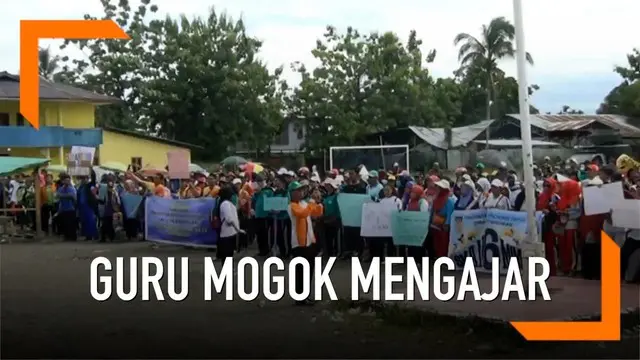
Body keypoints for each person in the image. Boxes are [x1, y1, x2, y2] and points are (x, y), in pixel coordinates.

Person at [287, 181, 323, 306]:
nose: (300, 192)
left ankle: (305, 295)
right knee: (300, 271)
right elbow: (302, 214)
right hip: (299, 242)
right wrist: (312, 203)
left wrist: (317, 202)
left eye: (301, 190)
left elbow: (317, 213)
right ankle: (299, 297)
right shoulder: (292, 205)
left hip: (309, 241)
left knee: (309, 270)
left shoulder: (304, 203)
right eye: (298, 190)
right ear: (292, 193)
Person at [429, 179, 455, 259]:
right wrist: (430, 221)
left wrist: (447, 224)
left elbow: (450, 212)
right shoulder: (436, 199)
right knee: (436, 242)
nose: (437, 188)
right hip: (435, 224)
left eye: (439, 187)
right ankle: (438, 257)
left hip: (444, 225)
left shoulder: (449, 200)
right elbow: (433, 211)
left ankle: (444, 259)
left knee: (444, 242)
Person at [217, 185, 243, 261]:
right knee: (227, 254)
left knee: (229, 253)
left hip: (230, 232)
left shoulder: (227, 203)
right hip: (227, 232)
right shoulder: (225, 204)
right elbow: (229, 219)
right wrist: (238, 229)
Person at [56, 174, 77, 241]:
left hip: (71, 208)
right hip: (63, 209)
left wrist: (63, 196)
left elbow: (74, 197)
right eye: (66, 180)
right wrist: (67, 196)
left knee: (71, 224)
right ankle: (67, 236)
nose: (67, 181)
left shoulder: (72, 188)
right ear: (63, 181)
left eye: (68, 180)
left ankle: (73, 237)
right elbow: (58, 196)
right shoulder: (61, 188)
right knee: (65, 224)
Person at [77, 174, 99, 241]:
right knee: (84, 221)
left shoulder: (90, 185)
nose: (83, 180)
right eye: (82, 179)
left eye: (85, 178)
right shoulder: (80, 187)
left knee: (90, 221)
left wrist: (91, 170)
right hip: (82, 206)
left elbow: (93, 181)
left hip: (88, 205)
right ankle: (87, 236)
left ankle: (94, 235)